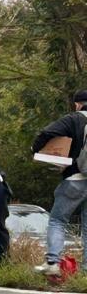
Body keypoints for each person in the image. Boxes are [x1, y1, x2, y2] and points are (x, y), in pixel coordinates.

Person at [32, 89, 87, 274]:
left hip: (75, 179)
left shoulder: (74, 119)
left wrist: (35, 149)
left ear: (77, 104)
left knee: (57, 220)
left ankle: (53, 263)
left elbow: (47, 132)